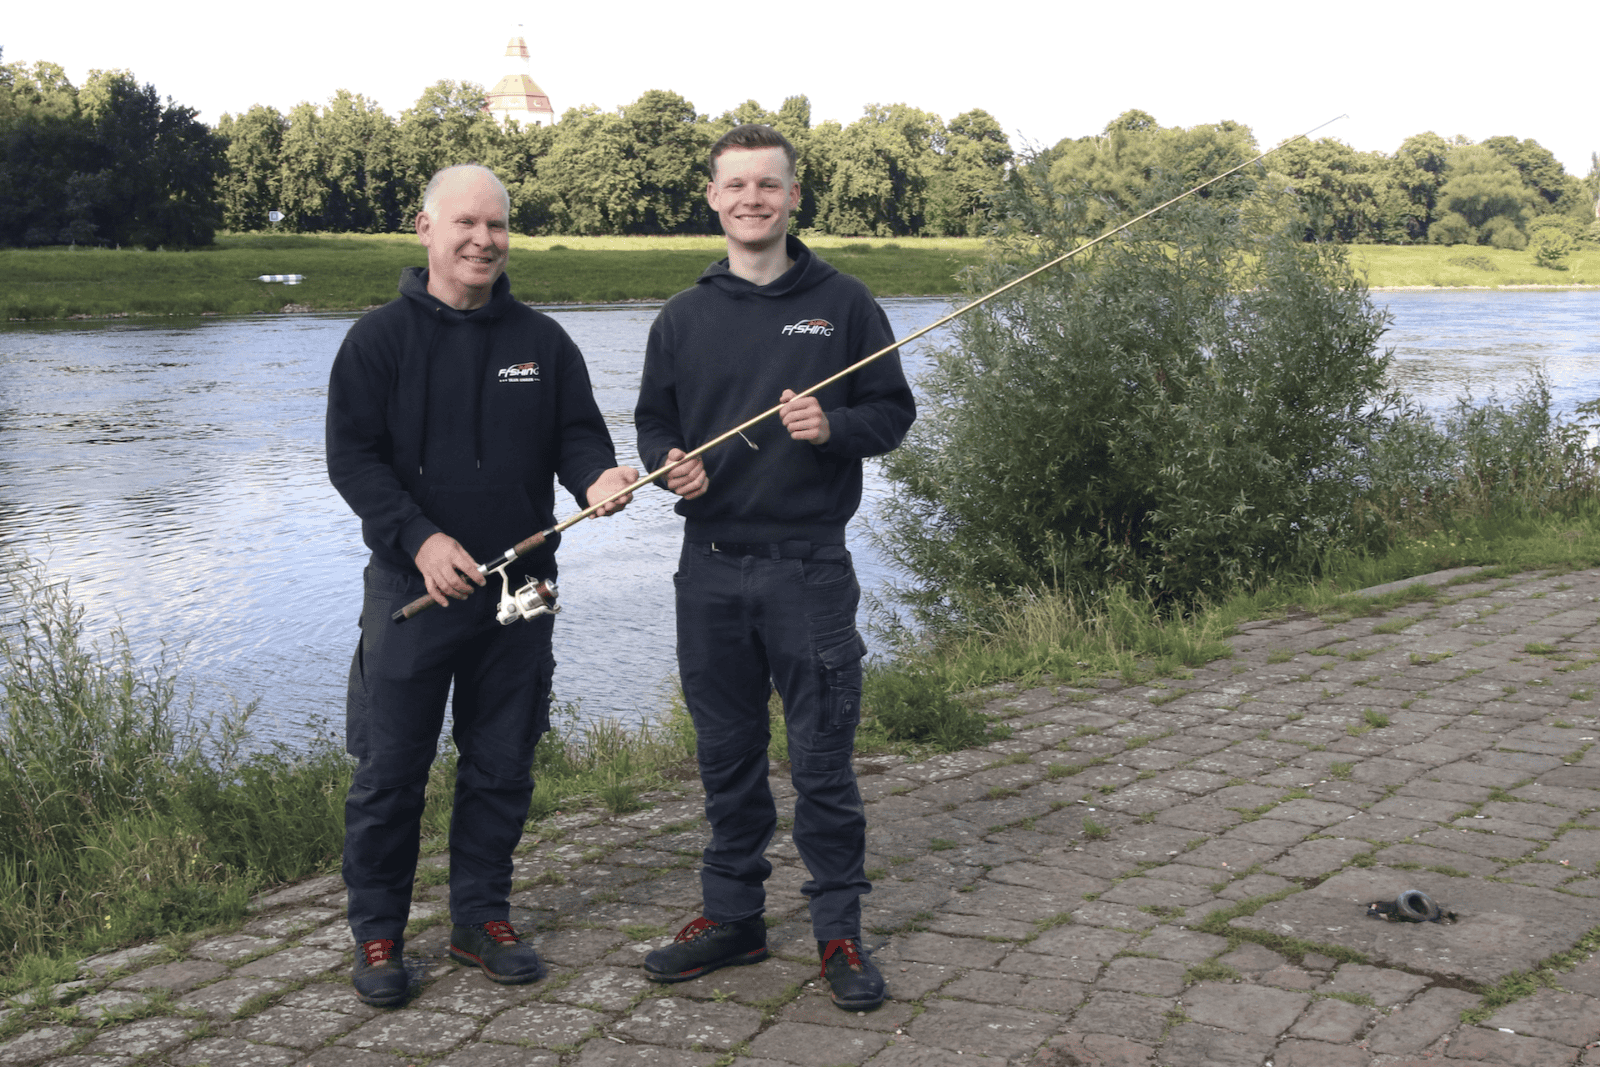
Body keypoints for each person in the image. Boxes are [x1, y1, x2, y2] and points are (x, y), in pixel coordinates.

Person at [326, 163, 638, 1007]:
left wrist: (598, 481)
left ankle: (480, 918)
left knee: (503, 761)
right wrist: (421, 540)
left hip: (524, 589)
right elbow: (352, 462)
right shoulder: (375, 341)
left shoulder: (543, 343)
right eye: (465, 223)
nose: (483, 240)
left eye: (497, 226)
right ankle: (380, 932)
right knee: (391, 770)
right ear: (425, 229)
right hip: (414, 588)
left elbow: (578, 438)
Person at [633, 125, 915, 1010]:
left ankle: (838, 930)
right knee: (726, 753)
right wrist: (670, 459)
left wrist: (835, 429)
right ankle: (735, 918)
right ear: (712, 198)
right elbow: (650, 424)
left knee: (822, 760)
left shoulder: (845, 303)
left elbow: (893, 412)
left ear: (795, 197)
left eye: (770, 185)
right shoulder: (682, 315)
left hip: (810, 571)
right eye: (736, 185)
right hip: (707, 567)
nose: (752, 198)